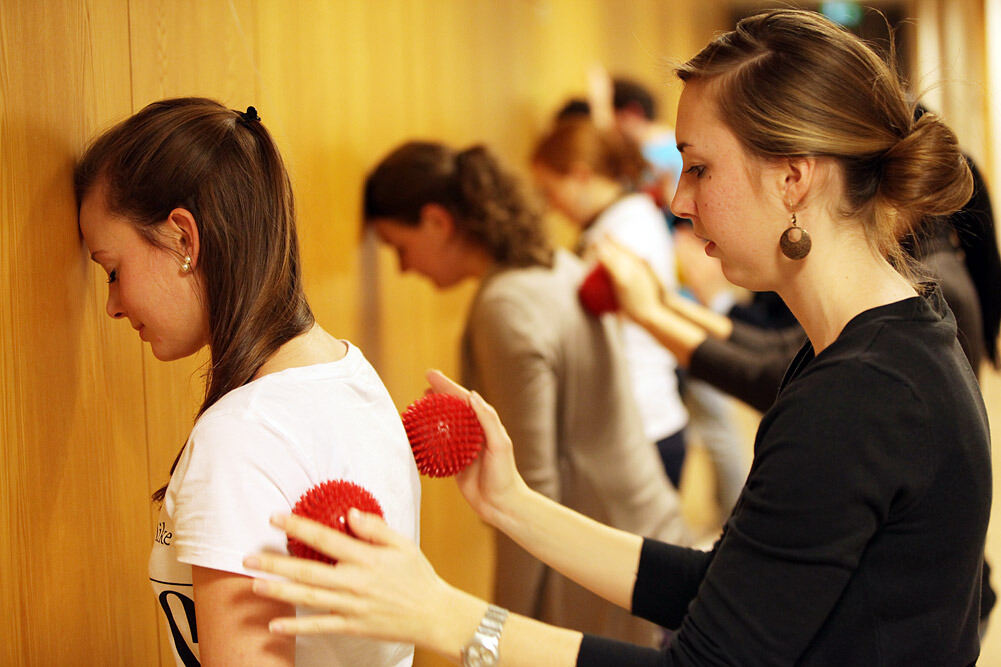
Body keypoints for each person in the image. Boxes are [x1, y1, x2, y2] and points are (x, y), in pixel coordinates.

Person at [247, 9, 990, 665]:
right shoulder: (872, 345)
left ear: (793, 177)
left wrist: (447, 615)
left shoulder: (862, 394)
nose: (678, 199)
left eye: (698, 168)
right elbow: (728, 589)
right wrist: (514, 504)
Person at [75, 97, 421, 666]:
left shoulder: (241, 437)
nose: (112, 304)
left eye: (113, 270)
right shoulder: (354, 378)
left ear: (183, 238)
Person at [362, 141, 689, 646]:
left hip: (601, 550)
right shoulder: (555, 264)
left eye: (398, 247)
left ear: (437, 222)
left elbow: (528, 487)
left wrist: (492, 637)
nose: (404, 268)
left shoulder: (506, 306)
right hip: (643, 524)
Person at [531, 118, 692, 487]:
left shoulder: (623, 231)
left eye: (550, 191)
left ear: (580, 176)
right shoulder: (623, 219)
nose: (552, 206)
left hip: (643, 423)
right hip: (644, 418)